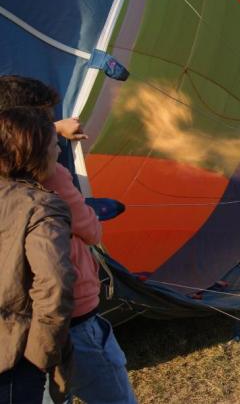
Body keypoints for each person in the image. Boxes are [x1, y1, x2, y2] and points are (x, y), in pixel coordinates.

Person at [0, 75, 136, 402]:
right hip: (74, 322)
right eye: (46, 124)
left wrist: (57, 128)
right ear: (29, 132)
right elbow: (87, 236)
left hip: (15, 328)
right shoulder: (51, 184)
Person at [0, 107, 75, 404]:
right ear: (35, 155)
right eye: (52, 144)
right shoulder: (41, 208)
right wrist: (36, 357)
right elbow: (55, 284)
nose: (58, 148)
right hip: (13, 361)